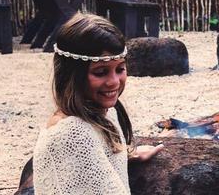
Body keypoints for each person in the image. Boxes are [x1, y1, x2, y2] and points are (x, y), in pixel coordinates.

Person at [32, 13, 162, 194]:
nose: (114, 81)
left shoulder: (105, 112)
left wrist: (126, 154)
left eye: (120, 69)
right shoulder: (73, 132)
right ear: (72, 75)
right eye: (101, 72)